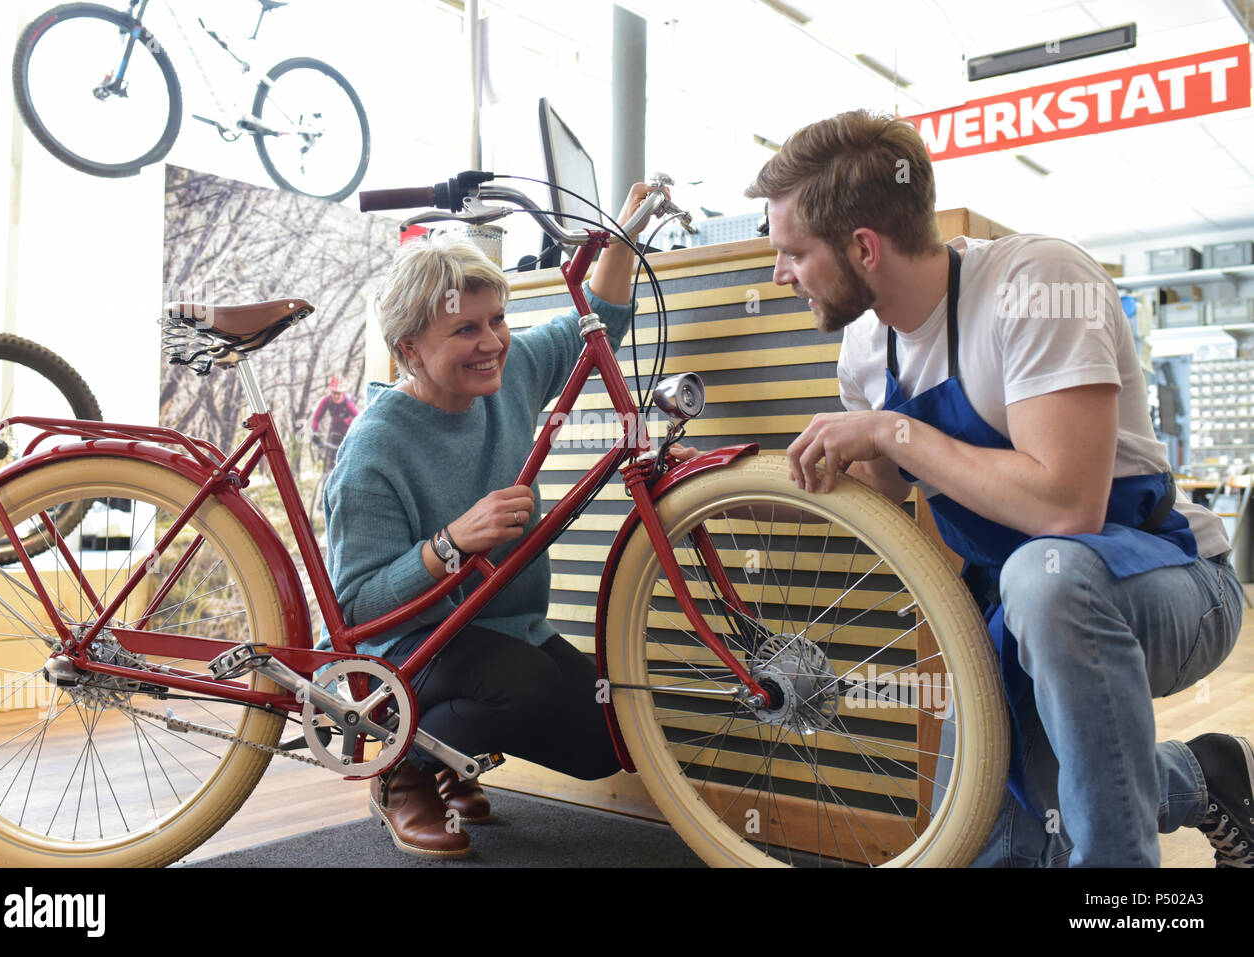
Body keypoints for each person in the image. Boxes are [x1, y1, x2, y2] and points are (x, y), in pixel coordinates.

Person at [746, 109, 1251, 868]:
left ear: (862, 247)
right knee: (1000, 835)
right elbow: (900, 515)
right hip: (1015, 614)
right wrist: (853, 476)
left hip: (1167, 583)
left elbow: (1066, 509)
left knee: (1044, 578)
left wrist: (890, 432)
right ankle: (1207, 775)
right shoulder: (862, 345)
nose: (780, 274)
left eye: (792, 253)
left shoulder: (1038, 283)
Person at [322, 184, 690, 858]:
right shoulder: (374, 448)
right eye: (466, 328)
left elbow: (599, 317)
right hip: (408, 648)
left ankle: (455, 756)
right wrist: (449, 543)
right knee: (523, 683)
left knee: (605, 739)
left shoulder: (506, 369)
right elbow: (356, 608)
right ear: (410, 348)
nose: (491, 341)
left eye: (498, 319)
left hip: (496, 627)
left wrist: (626, 224)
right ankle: (405, 772)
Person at [309, 375, 359, 471]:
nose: (336, 396)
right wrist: (315, 433)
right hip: (335, 433)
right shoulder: (327, 401)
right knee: (332, 464)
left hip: (348, 433)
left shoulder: (347, 402)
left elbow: (358, 416)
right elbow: (316, 418)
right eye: (334, 393)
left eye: (339, 393)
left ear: (343, 393)